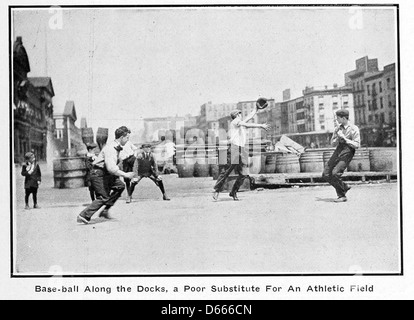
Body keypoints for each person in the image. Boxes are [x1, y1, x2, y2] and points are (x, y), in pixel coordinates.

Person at [77, 126, 135, 224]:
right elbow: (111, 168)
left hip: (105, 173)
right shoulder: (111, 149)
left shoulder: (115, 146)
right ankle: (83, 215)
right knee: (103, 197)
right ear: (121, 137)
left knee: (120, 186)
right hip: (98, 173)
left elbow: (121, 157)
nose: (128, 140)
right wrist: (126, 175)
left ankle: (105, 211)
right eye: (127, 138)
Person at [213, 105, 271, 201]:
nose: (241, 115)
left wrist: (256, 109)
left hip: (242, 149)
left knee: (243, 174)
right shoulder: (235, 122)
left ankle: (233, 192)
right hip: (234, 148)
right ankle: (216, 190)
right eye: (240, 113)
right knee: (227, 171)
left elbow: (250, 116)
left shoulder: (240, 123)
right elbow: (247, 124)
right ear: (237, 115)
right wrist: (261, 126)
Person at [322, 109, 360, 202]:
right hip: (339, 149)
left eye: (338, 118)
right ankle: (344, 186)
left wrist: (344, 138)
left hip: (348, 150)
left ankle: (342, 196)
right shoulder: (337, 129)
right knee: (326, 174)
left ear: (343, 118)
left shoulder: (354, 128)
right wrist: (337, 138)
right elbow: (333, 144)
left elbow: (357, 145)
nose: (337, 120)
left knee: (335, 173)